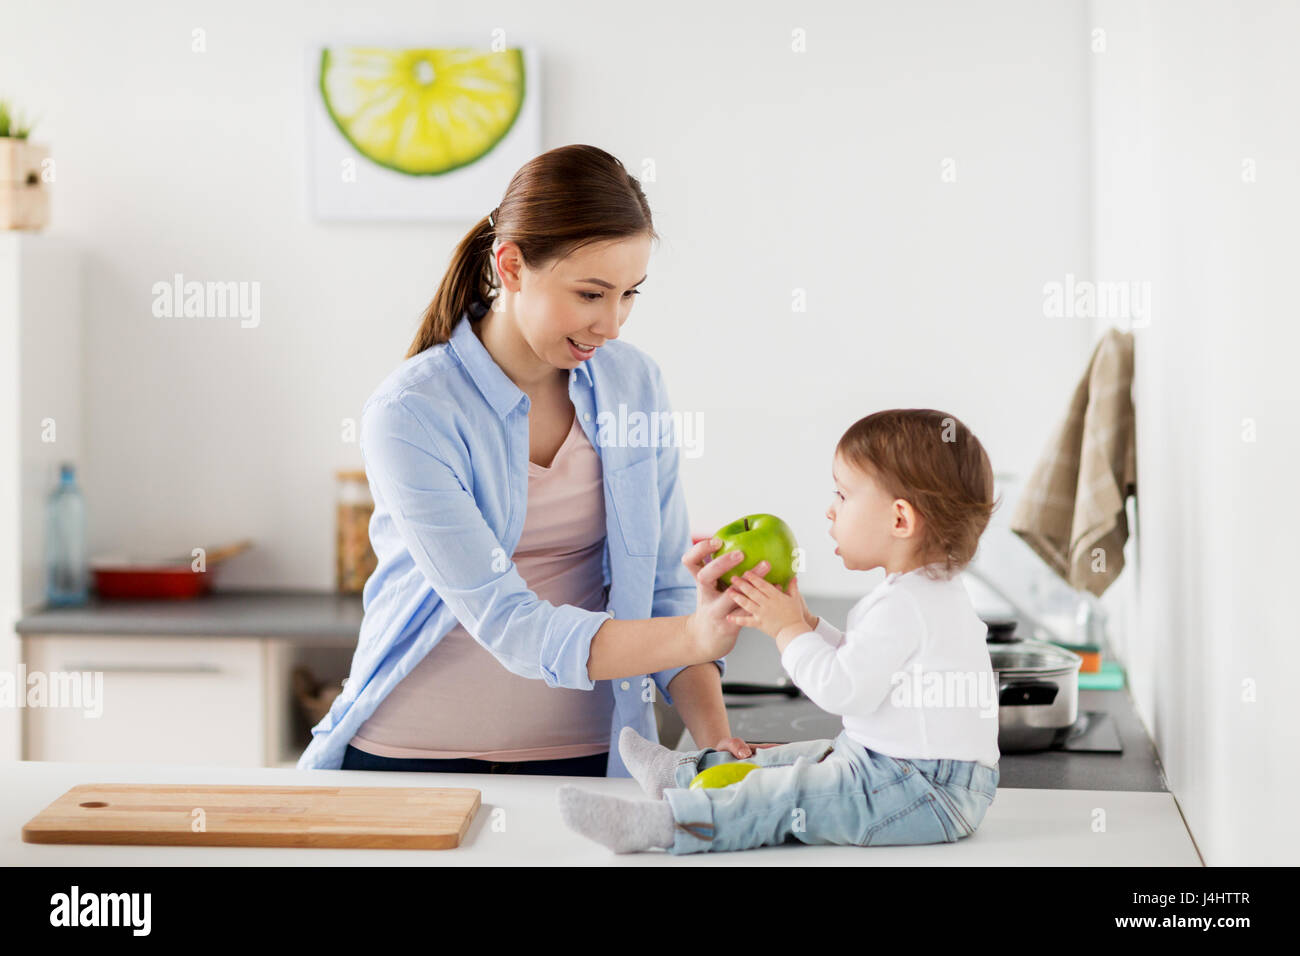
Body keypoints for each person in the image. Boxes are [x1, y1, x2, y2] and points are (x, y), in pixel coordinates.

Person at [297, 145, 762, 776]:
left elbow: (663, 588)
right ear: (511, 266)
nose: (613, 323)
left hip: (594, 758)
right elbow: (510, 624)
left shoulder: (635, 386)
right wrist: (692, 635)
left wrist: (715, 741)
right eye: (592, 293)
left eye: (630, 294)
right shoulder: (411, 412)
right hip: (411, 760)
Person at [558, 409, 1003, 852]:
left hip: (925, 789)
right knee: (792, 759)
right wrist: (806, 624)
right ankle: (682, 773)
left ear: (900, 520)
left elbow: (841, 689)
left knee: (786, 796)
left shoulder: (907, 604)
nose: (831, 508)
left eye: (843, 495)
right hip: (903, 771)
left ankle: (666, 826)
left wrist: (787, 629)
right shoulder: (925, 594)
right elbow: (862, 664)